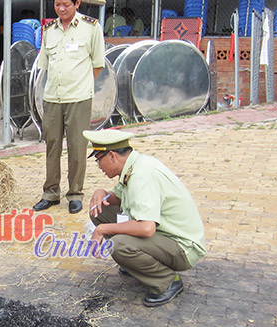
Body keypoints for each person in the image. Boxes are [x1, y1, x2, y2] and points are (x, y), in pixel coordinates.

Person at [85, 129, 206, 307]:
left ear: (112, 156)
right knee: (100, 211)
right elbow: (117, 198)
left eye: (98, 160)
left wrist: (102, 229)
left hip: (182, 247)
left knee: (118, 245)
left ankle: (167, 282)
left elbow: (146, 228)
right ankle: (136, 263)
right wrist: (100, 192)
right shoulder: (133, 166)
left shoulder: (141, 175)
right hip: (164, 234)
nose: (99, 166)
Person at [32, 0, 105, 215]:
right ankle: (50, 193)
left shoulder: (91, 28)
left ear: (77, 4)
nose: (61, 9)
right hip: (52, 98)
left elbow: (98, 65)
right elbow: (44, 65)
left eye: (66, 5)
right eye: (57, 5)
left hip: (79, 99)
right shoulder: (49, 30)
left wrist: (81, 86)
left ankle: (75, 194)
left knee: (77, 148)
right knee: (52, 147)